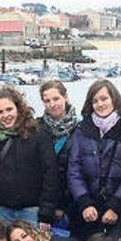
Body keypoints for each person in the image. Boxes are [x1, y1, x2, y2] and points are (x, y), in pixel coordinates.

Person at [0, 86, 59, 230]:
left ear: (18, 108)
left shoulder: (38, 134)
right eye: (0, 112)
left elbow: (50, 174)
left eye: (9, 109)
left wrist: (46, 213)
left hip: (30, 210)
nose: (5, 115)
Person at [67, 79, 121, 241]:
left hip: (119, 206)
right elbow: (74, 170)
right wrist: (84, 202)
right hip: (88, 206)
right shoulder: (81, 131)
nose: (100, 104)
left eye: (104, 99)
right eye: (95, 101)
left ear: (114, 100)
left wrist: (116, 205)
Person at [37, 80, 80, 228]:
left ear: (65, 97)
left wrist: (62, 205)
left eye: (56, 99)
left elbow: (78, 170)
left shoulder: (80, 128)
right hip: (41, 201)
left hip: (71, 201)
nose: (52, 104)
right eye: (47, 100)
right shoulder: (37, 128)